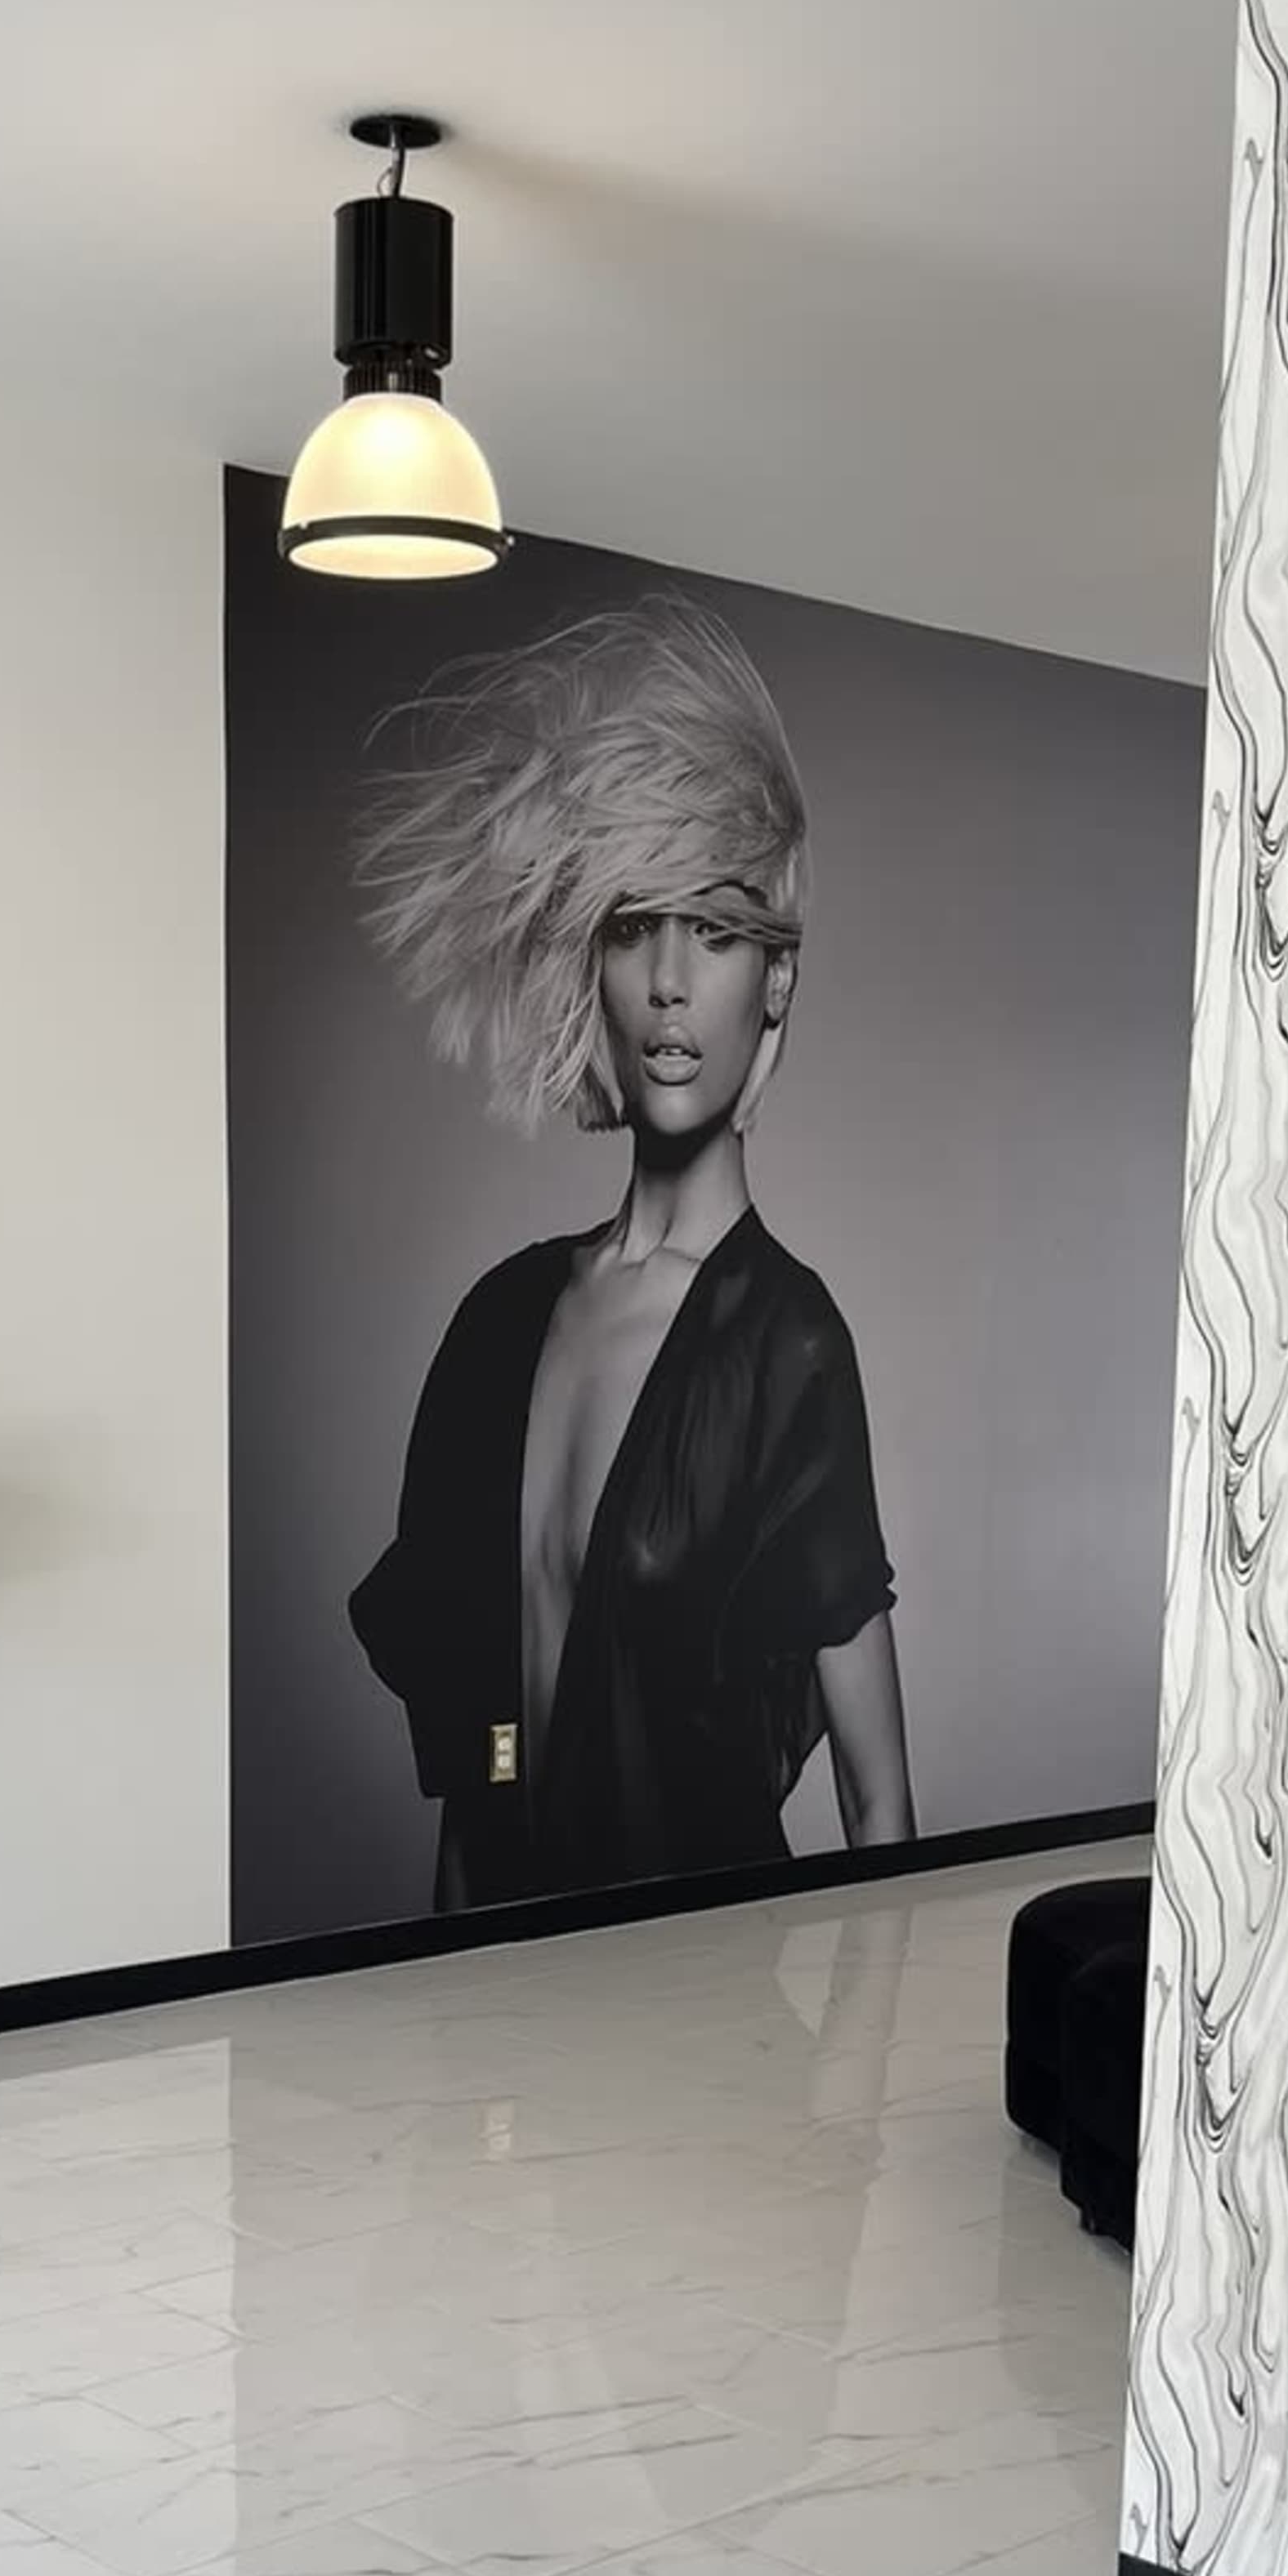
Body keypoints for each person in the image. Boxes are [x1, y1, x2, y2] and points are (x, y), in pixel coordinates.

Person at [348, 594, 915, 1911]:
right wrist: (453, 2000)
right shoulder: (500, 1326)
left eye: (714, 931)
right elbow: (479, 1747)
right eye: (631, 926)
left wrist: (856, 2099)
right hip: (502, 2014)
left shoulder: (788, 1347)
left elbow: (880, 1804)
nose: (669, 981)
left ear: (774, 977)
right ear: (589, 963)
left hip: (700, 2027)